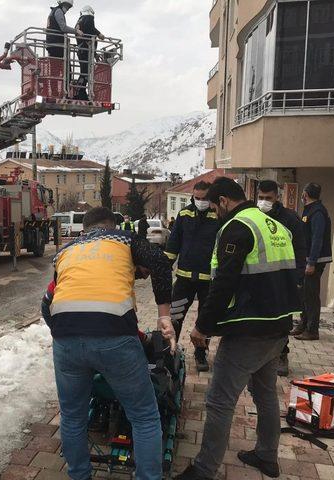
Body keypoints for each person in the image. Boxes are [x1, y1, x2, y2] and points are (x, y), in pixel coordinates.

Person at [175, 177, 300, 480]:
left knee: (219, 400)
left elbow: (223, 283)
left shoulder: (236, 227)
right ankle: (267, 456)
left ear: (224, 202)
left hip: (249, 331)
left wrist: (202, 327)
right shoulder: (274, 225)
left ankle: (204, 470)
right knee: (265, 393)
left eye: (216, 207)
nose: (216, 212)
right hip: (278, 327)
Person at [42, 206, 175, 480]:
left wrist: (67, 333)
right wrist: (164, 316)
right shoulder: (123, 239)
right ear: (112, 225)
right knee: (144, 417)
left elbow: (47, 303)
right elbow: (160, 262)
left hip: (66, 339)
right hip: (114, 338)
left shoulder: (65, 252)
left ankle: (79, 476)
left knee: (72, 417)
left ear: (84, 229)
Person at [164, 181, 220, 372]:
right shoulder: (184, 215)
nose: (201, 202)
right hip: (184, 278)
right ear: (192, 197)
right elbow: (173, 244)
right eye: (197, 198)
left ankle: (200, 353)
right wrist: (164, 267)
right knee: (174, 317)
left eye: (204, 198)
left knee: (206, 319)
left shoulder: (218, 217)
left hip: (208, 280)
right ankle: (169, 352)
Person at [257, 180, 307, 376]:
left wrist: (297, 276)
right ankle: (260, 356)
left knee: (282, 320)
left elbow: (300, 248)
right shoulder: (253, 217)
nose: (263, 202)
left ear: (276, 197)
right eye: (260, 198)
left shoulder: (290, 219)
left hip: (283, 278)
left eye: (268, 198)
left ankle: (282, 355)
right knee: (259, 318)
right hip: (259, 277)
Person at [292, 183, 332, 341]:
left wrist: (312, 262)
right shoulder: (310, 209)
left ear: (305, 194)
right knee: (303, 293)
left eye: (303, 192)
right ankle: (303, 324)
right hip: (306, 259)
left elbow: (317, 238)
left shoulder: (318, 212)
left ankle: (312, 330)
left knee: (311, 295)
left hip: (314, 261)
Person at [73, 5, 105, 100]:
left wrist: (98, 34)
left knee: (84, 71)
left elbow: (89, 29)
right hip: (86, 49)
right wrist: (98, 34)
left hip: (82, 49)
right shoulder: (89, 18)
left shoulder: (79, 21)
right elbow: (90, 28)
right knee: (86, 72)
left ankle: (79, 91)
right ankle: (81, 92)